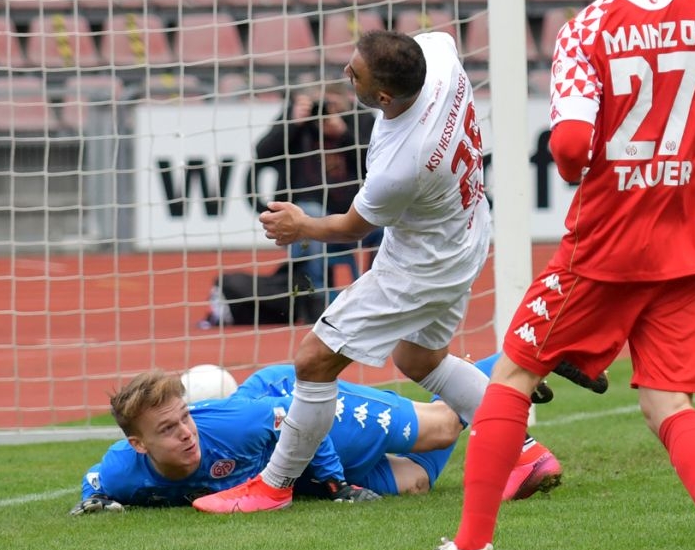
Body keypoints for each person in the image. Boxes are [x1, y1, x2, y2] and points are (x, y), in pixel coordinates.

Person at [389, 0, 695, 550]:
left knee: (510, 375)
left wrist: (579, 174)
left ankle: (471, 545)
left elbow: (568, 146)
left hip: (603, 245)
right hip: (687, 241)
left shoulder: (587, 29)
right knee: (667, 398)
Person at [193, 29, 559, 514]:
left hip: (419, 265)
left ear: (384, 96)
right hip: (465, 231)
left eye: (356, 73)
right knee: (420, 361)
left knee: (314, 360)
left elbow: (350, 227)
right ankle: (524, 454)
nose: (346, 73)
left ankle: (275, 485)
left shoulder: (401, 163)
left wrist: (300, 224)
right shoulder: (441, 54)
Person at [75, 361, 562, 513]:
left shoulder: (229, 426)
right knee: (416, 482)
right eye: (167, 429)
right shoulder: (125, 468)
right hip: (283, 453)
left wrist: (333, 484)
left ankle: (520, 358)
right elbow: (95, 481)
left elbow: (294, 417)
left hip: (301, 405)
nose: (186, 433)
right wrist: (93, 501)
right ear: (139, 444)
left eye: (184, 418)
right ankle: (510, 375)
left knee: (442, 427)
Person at [253, 85, 376, 306]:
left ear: (347, 101)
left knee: (387, 224)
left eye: (332, 105)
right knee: (308, 213)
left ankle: (377, 293)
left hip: (354, 212)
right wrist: (293, 123)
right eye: (321, 105)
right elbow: (262, 152)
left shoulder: (361, 118)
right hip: (311, 211)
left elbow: (378, 164)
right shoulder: (298, 119)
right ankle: (315, 298)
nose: (325, 111)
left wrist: (344, 134)